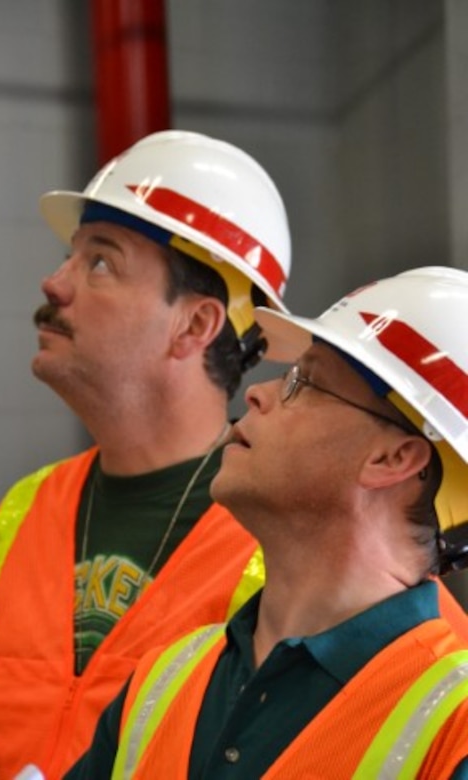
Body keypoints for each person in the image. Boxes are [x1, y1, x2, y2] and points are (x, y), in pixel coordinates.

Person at [0, 130, 294, 779]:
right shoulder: (25, 510)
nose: (54, 283)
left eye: (99, 263)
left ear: (194, 326)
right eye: (69, 258)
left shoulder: (283, 540)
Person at [65, 266, 468, 779]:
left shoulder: (453, 727)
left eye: (306, 381)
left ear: (392, 459)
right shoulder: (166, 679)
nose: (259, 394)